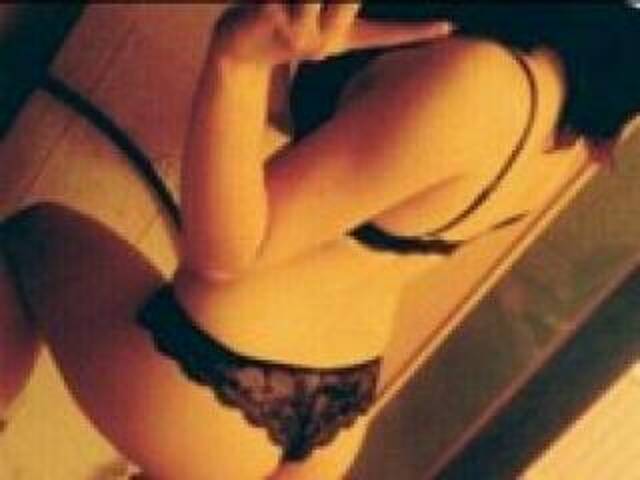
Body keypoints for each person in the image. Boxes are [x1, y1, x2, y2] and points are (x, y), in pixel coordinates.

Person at [1, 2, 639, 479]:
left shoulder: (481, 80)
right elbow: (335, 144)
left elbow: (227, 254)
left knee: (28, 239)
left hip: (210, 375)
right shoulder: (574, 138)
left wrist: (236, 61)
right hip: (333, 411)